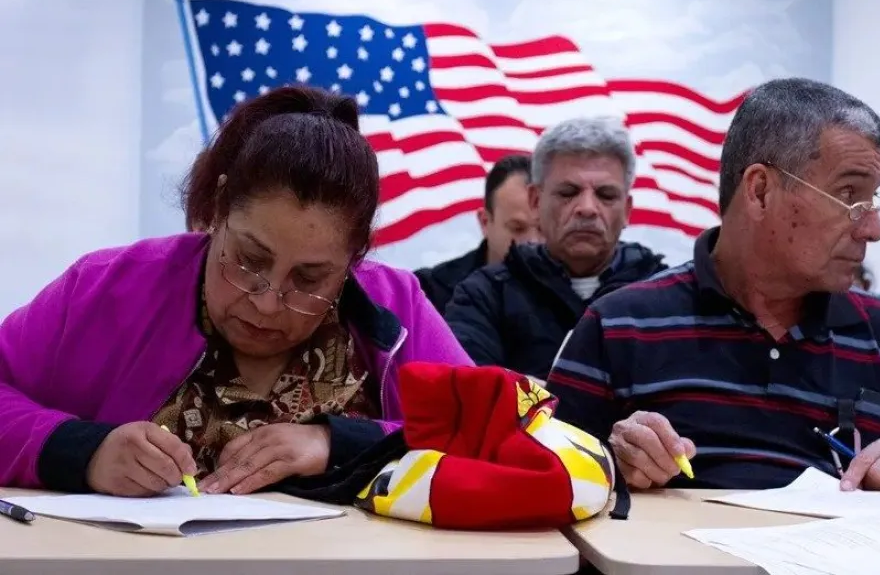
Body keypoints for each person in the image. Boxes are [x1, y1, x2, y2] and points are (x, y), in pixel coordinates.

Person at [0, 86, 473, 496]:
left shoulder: (396, 306)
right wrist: (83, 451)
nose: (267, 304)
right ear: (221, 208)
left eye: (309, 279)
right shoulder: (110, 287)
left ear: (354, 259)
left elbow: (501, 432)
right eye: (249, 260)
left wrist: (343, 442)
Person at [546, 78, 880, 493]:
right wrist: (608, 465)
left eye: (875, 201)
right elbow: (545, 490)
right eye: (850, 196)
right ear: (759, 191)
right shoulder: (619, 327)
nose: (872, 228)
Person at [445, 116, 666, 382]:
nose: (587, 208)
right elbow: (469, 392)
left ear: (627, 209)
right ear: (535, 201)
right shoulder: (483, 296)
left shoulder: (668, 300)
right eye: (568, 192)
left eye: (606, 195)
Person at [415, 154, 541, 314]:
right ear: (485, 222)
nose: (534, 242)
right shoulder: (429, 293)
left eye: (543, 229)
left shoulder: (577, 289)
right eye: (517, 228)